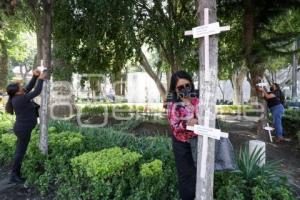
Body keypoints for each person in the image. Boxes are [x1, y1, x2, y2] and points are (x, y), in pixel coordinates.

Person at [5, 69, 45, 183]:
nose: (23, 87)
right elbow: (37, 91)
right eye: (20, 87)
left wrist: (35, 76)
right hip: (23, 129)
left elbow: (29, 87)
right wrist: (41, 79)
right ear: (17, 92)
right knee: (20, 152)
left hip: (21, 128)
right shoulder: (20, 98)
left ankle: (15, 174)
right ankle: (14, 175)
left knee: (20, 151)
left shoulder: (17, 96)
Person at [166, 71, 199, 200]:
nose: (185, 88)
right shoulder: (172, 103)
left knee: (199, 172)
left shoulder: (196, 98)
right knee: (186, 176)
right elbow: (174, 125)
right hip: (181, 144)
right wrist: (187, 124)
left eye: (187, 85)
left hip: (198, 140)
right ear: (175, 89)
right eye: (180, 87)